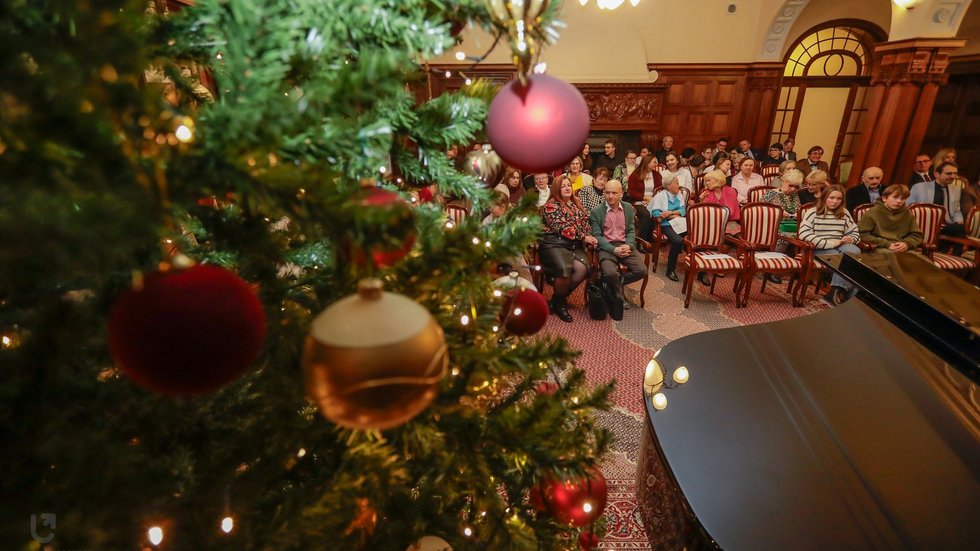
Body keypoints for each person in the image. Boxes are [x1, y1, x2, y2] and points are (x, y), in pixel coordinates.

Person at [538, 175, 598, 322]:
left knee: (584, 269)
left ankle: (556, 299)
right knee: (564, 271)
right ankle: (560, 305)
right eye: (563, 186)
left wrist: (590, 235)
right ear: (557, 189)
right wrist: (584, 237)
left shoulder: (575, 203)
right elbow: (563, 228)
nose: (567, 188)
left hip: (573, 245)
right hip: (554, 244)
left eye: (569, 186)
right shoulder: (550, 206)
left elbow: (585, 224)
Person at [589, 180, 646, 320]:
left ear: (621, 194)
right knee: (609, 273)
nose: (610, 196)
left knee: (642, 270)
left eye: (614, 193)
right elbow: (597, 236)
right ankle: (617, 295)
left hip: (624, 245)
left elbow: (631, 230)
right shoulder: (596, 211)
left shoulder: (628, 208)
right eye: (607, 192)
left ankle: (613, 286)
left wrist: (629, 245)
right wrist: (613, 250)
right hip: (606, 247)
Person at [799, 185, 860, 305]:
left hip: (840, 245)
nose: (835, 201)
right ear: (824, 197)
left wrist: (851, 239)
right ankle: (849, 297)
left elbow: (855, 232)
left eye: (839, 199)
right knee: (842, 260)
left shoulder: (844, 213)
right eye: (831, 198)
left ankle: (835, 291)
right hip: (818, 248)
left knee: (855, 251)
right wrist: (830, 243)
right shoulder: (813, 212)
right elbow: (804, 235)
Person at [761, 169, 804, 283]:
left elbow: (798, 209)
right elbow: (762, 212)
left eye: (796, 187)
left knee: (805, 236)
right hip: (773, 225)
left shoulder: (794, 195)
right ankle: (773, 270)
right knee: (785, 236)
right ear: (783, 181)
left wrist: (795, 214)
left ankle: (797, 269)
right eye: (791, 186)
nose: (793, 189)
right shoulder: (771, 194)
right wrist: (779, 213)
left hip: (791, 224)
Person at [908, 161, 965, 243]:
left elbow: (956, 210)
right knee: (959, 231)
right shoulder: (919, 187)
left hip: (946, 225)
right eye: (949, 173)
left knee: (961, 228)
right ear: (936, 174)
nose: (953, 176)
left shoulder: (956, 190)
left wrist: (959, 221)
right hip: (926, 224)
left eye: (955, 173)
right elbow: (909, 207)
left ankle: (953, 254)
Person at [859, 184, 923, 253]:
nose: (899, 201)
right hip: (881, 247)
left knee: (917, 259)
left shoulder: (907, 213)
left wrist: (906, 244)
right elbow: (862, 234)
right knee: (891, 257)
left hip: (902, 247)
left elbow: (916, 235)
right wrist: (886, 244)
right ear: (884, 198)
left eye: (902, 198)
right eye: (895, 197)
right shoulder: (873, 212)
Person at [649, 173, 687, 282]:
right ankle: (670, 269)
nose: (679, 186)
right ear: (669, 185)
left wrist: (670, 213)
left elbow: (683, 211)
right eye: (677, 183)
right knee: (677, 240)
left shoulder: (679, 195)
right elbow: (656, 213)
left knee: (696, 236)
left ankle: (700, 271)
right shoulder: (660, 196)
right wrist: (674, 215)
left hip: (679, 222)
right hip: (666, 225)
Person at [627, 155, 662, 240]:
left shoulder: (656, 175)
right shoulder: (635, 175)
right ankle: (641, 241)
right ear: (647, 163)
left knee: (655, 212)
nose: (656, 164)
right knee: (646, 214)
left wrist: (653, 200)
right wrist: (644, 197)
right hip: (638, 201)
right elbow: (631, 192)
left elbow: (660, 189)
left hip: (653, 201)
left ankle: (650, 239)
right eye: (654, 162)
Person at [699, 169, 741, 235]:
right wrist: (702, 201)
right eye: (706, 181)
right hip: (712, 223)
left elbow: (730, 212)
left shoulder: (730, 191)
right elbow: (704, 212)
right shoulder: (706, 192)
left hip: (728, 222)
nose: (707, 183)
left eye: (709, 180)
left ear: (717, 180)